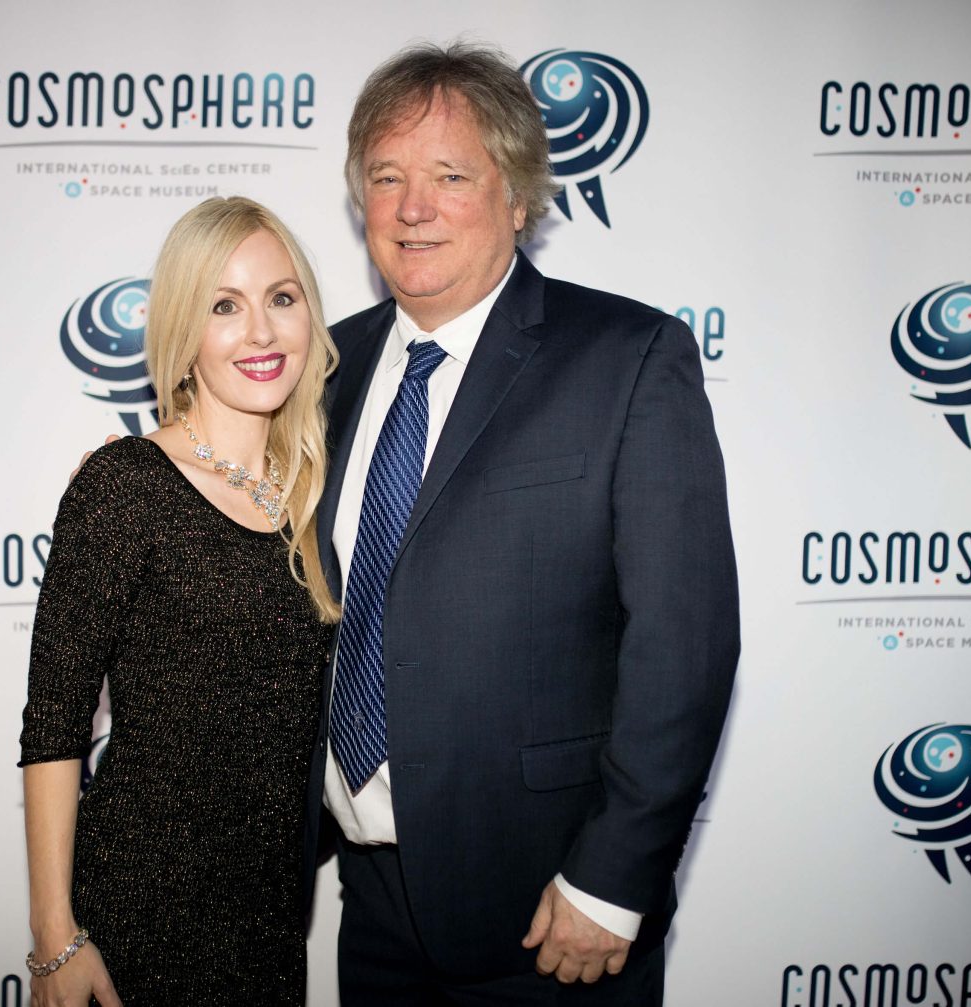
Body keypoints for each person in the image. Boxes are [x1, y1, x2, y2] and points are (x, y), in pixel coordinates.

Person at [307, 42, 740, 1005]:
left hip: (553, 916)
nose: (412, 208)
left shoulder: (628, 359)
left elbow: (686, 642)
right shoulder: (324, 369)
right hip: (371, 913)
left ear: (517, 198)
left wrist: (613, 879)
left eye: (450, 176)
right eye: (387, 177)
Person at [19, 196, 340, 1007]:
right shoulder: (125, 485)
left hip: (268, 924)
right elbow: (54, 720)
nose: (261, 331)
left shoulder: (314, 498)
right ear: (181, 331)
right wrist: (54, 934)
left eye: (281, 297)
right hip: (139, 912)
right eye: (223, 306)